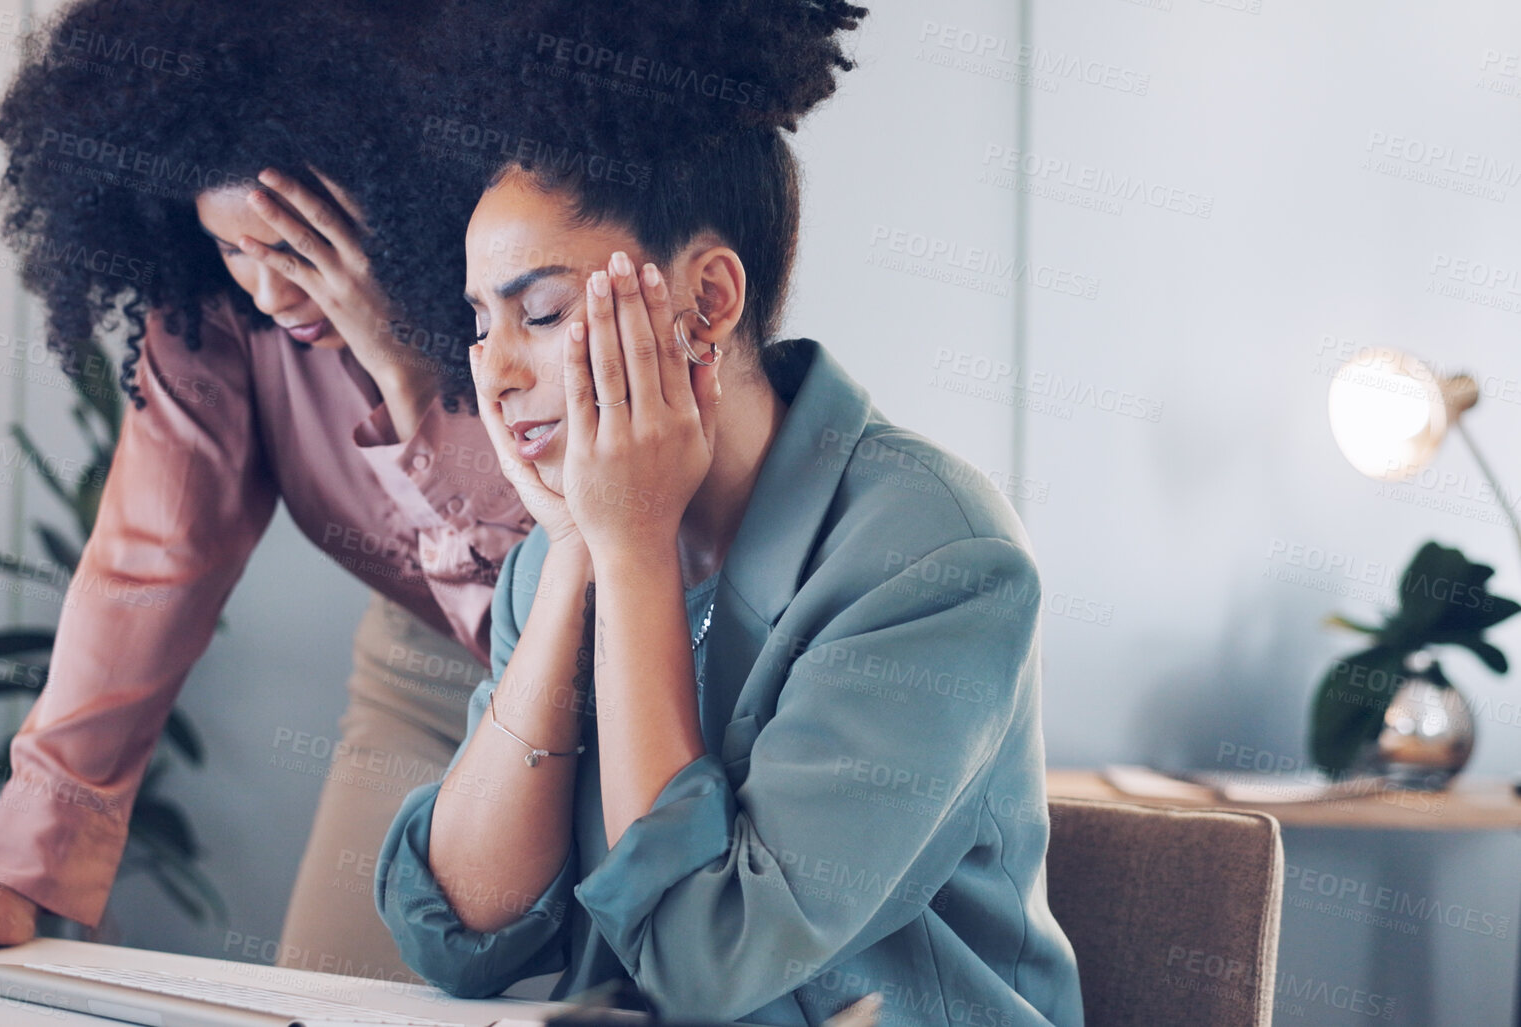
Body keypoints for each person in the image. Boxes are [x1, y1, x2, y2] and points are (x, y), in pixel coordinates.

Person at [373, 1, 1085, 1022]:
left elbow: (706, 963)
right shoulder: (555, 558)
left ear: (707, 302)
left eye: (542, 311)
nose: (495, 371)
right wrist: (582, 545)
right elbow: (461, 932)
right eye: (480, 322)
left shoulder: (935, 556)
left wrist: (629, 552)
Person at [0, 0, 526, 981]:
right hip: (429, 672)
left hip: (632, 665)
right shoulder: (215, 323)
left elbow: (572, 566)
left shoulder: (527, 275)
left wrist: (402, 369)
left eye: (297, 249)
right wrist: (27, 874)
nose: (270, 294)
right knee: (332, 996)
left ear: (397, 191)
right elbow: (148, 563)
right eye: (234, 248)